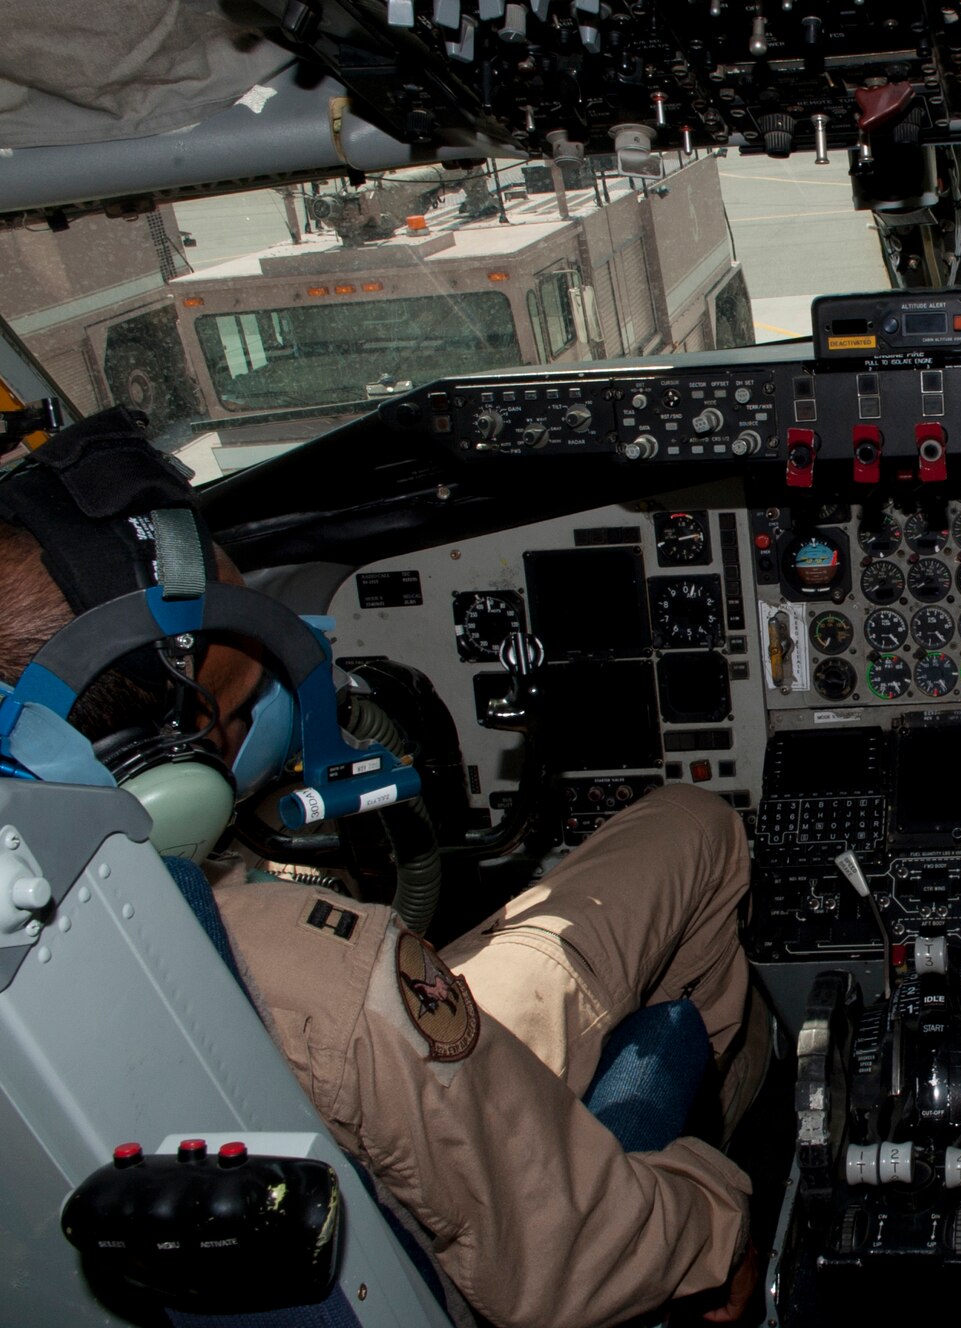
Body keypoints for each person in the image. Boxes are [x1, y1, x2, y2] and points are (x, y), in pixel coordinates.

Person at [0, 411, 761, 1328]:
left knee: (682, 833)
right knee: (698, 824)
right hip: (451, 1191)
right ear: (165, 777)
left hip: (367, 1108)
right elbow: (569, 1259)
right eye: (241, 706)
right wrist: (725, 1219)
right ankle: (733, 1125)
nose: (273, 715)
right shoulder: (321, 975)